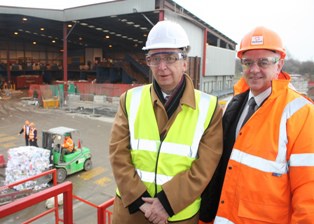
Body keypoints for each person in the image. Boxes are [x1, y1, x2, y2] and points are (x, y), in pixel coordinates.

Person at [109, 20, 223, 224]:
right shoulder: (130, 100)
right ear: (148, 61)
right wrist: (140, 201)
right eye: (155, 58)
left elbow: (204, 168)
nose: (162, 67)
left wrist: (166, 203)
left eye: (170, 58)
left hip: (177, 216)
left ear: (184, 62)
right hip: (132, 212)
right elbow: (118, 154)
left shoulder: (209, 108)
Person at [200, 26, 314, 224]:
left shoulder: (300, 113)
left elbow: (308, 188)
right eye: (248, 62)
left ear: (279, 66)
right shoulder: (231, 107)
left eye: (263, 62)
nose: (254, 70)